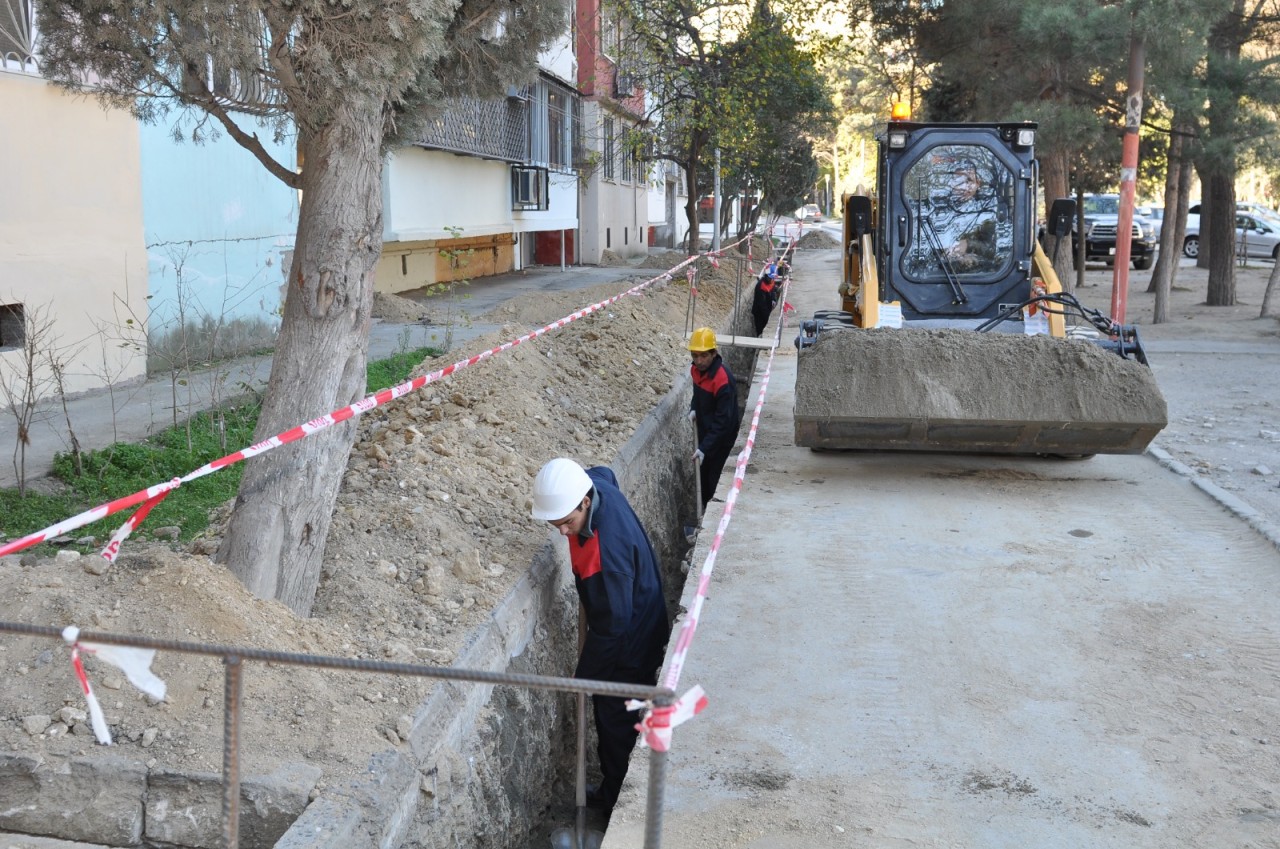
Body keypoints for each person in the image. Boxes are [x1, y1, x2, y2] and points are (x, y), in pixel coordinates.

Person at [530, 458, 670, 812]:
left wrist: (586, 675)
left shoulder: (604, 555)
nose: (563, 532)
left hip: (632, 637)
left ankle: (618, 800)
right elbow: (605, 472)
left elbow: (612, 627)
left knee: (614, 719)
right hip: (640, 605)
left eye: (568, 523)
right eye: (556, 523)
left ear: (586, 503)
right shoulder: (595, 485)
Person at [687, 327, 740, 509]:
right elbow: (697, 394)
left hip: (722, 438)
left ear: (714, 353)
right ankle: (701, 510)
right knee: (702, 475)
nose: (699, 361)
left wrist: (705, 447)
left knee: (714, 479)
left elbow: (723, 421)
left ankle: (711, 514)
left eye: (703, 356)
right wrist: (694, 408)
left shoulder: (722, 380)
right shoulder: (695, 370)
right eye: (695, 355)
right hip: (705, 430)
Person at [751, 265, 782, 337]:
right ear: (766, 276)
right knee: (760, 329)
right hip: (759, 313)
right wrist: (768, 316)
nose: (772, 280)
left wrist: (774, 299)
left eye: (773, 278)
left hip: (767, 307)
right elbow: (762, 305)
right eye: (771, 278)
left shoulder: (771, 281)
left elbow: (773, 290)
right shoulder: (761, 287)